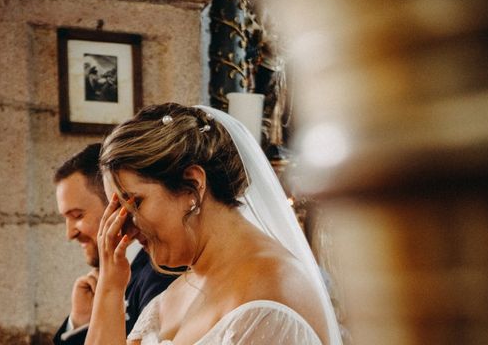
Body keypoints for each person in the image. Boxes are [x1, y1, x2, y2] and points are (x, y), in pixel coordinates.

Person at [85, 103, 343, 344]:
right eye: (119, 210)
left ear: (193, 186)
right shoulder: (176, 293)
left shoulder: (272, 294)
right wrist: (110, 286)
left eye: (135, 203)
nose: (125, 228)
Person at [53, 143, 176, 345]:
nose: (70, 233)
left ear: (117, 204)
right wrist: (80, 321)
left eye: (77, 215)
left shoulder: (163, 269)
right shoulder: (113, 271)